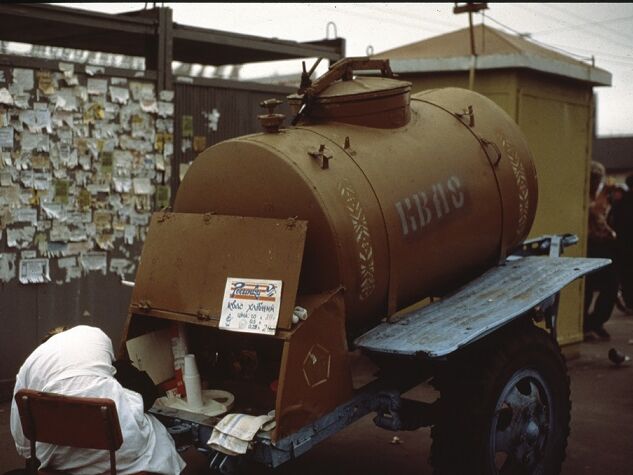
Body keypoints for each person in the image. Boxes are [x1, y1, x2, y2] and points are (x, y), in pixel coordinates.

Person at [10, 325, 186, 474]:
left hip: (56, 461)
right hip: (119, 456)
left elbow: (24, 445)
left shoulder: (29, 366)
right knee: (151, 425)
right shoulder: (94, 335)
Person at [583, 162, 619, 340]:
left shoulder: (594, 196)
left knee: (608, 285)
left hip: (599, 245)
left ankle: (594, 322)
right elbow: (593, 212)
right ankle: (588, 324)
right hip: (589, 245)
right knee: (588, 288)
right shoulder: (584, 197)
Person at [610, 174, 633, 314]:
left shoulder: (619, 203)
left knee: (626, 275)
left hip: (622, 245)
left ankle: (630, 302)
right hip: (627, 244)